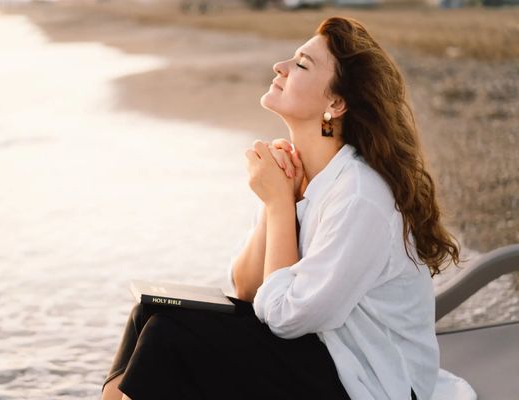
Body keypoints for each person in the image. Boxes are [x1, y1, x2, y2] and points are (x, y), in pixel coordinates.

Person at [101, 16, 461, 400]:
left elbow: (286, 318)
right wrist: (279, 201)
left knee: (169, 337)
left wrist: (276, 204)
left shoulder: (359, 196)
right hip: (322, 354)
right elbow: (248, 288)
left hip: (369, 382)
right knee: (151, 315)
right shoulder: (299, 175)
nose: (281, 67)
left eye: (302, 64)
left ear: (335, 103)